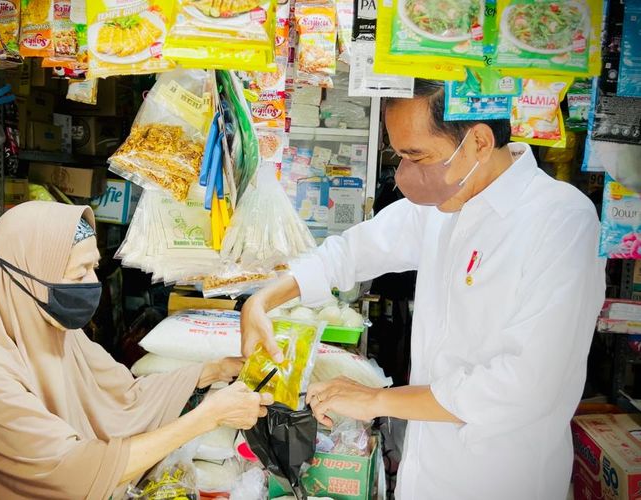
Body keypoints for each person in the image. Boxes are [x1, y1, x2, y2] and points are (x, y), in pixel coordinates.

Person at [241, 80, 606, 500]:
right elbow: (351, 252)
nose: (406, 174)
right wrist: (262, 301)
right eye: (399, 156)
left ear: (480, 142)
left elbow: (525, 385)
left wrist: (378, 400)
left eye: (418, 155)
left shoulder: (560, 220)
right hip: (426, 471)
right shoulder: (445, 204)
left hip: (503, 477)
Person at [0, 201, 272, 499]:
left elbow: (123, 396)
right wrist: (206, 417)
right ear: (25, 279)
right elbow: (69, 474)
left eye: (93, 267)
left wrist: (212, 370)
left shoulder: (49, 326)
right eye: (78, 275)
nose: (93, 284)